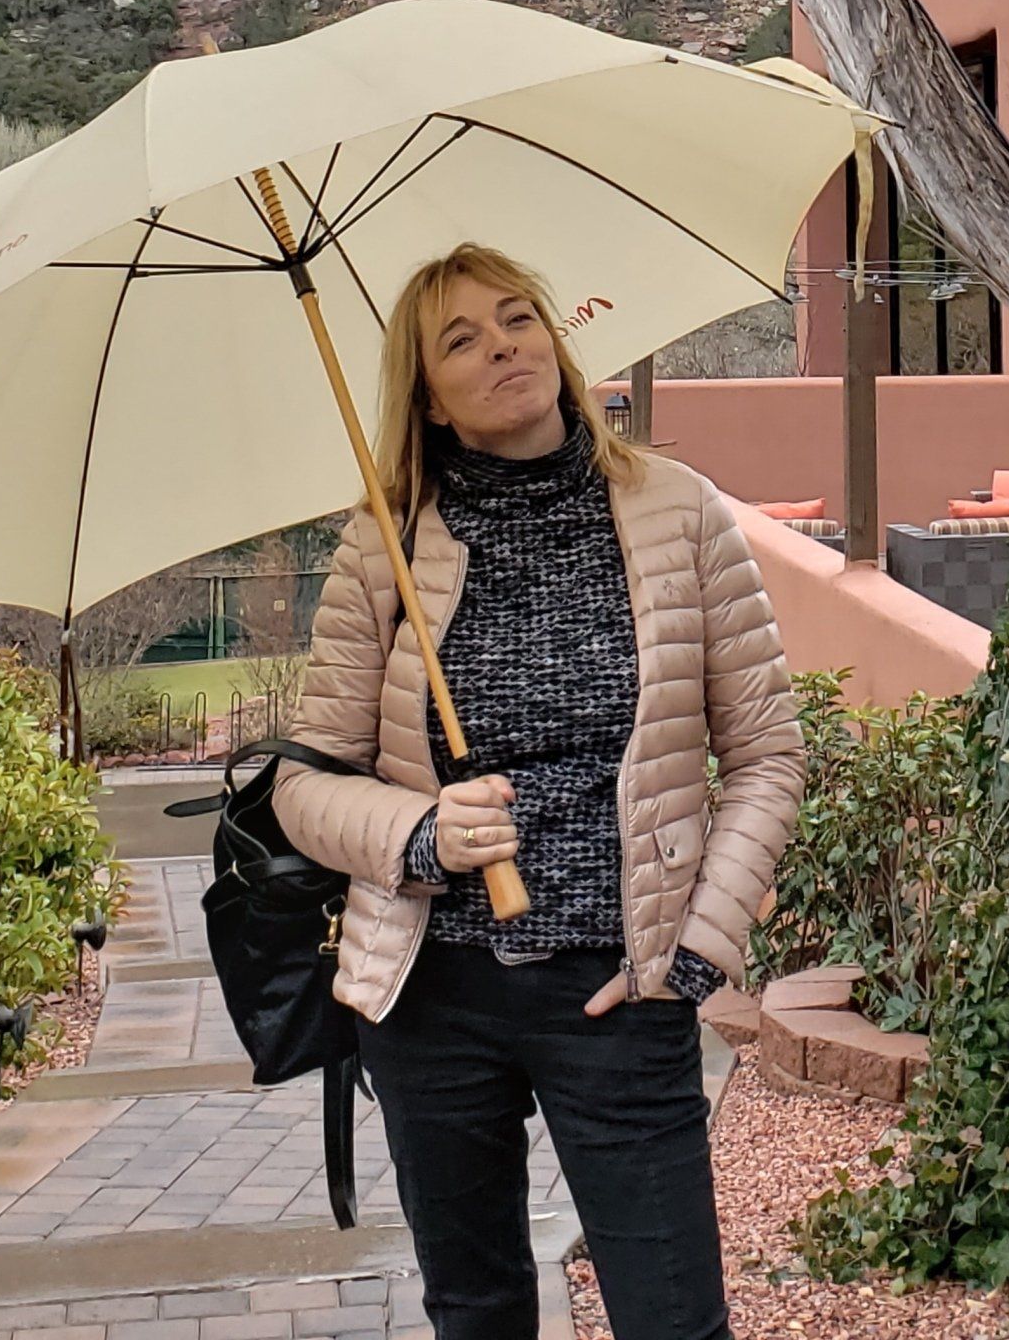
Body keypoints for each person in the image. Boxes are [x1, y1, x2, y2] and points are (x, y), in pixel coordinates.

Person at [273, 242, 804, 1340]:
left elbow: (766, 755)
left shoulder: (679, 512)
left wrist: (700, 946)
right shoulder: (383, 546)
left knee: (673, 1318)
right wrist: (419, 832)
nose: (502, 344)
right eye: (460, 338)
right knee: (477, 1311)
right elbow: (302, 784)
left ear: (556, 341)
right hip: (430, 995)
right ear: (426, 392)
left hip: (618, 987)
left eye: (518, 318)